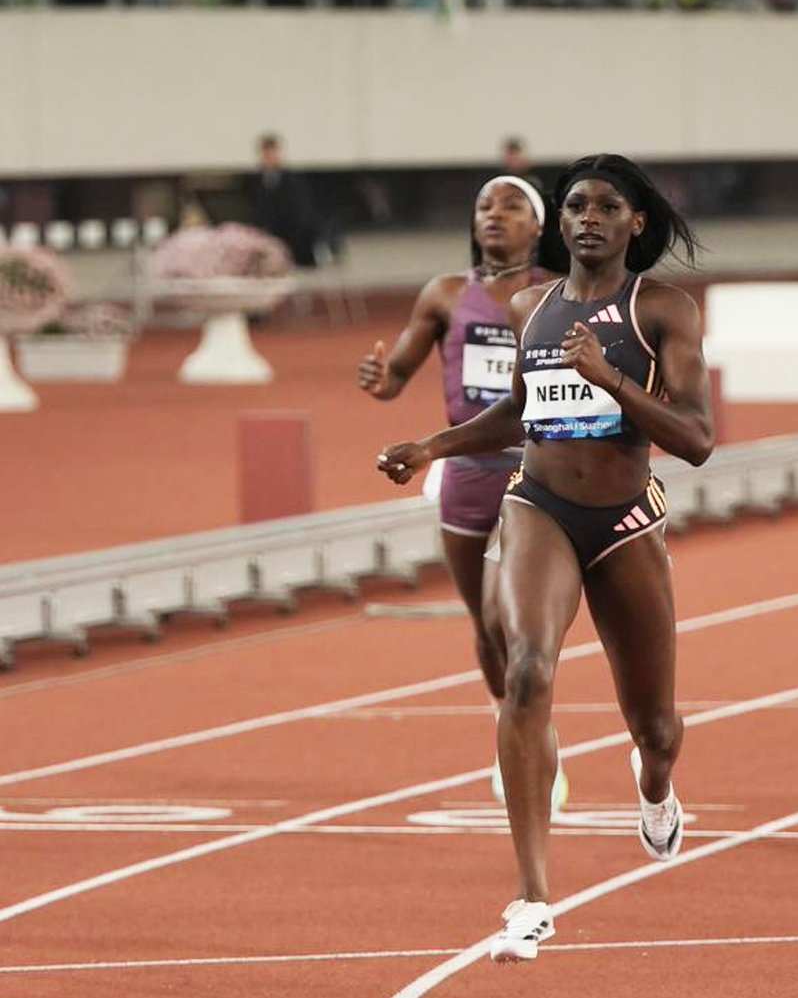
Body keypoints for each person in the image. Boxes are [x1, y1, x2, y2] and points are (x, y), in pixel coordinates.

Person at [376, 153, 714, 962]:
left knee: (657, 725)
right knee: (525, 669)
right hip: (540, 507)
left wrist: (614, 382)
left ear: (636, 222)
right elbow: (517, 413)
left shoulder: (661, 308)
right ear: (560, 226)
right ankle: (531, 897)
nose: (586, 218)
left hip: (627, 519)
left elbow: (696, 440)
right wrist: (432, 446)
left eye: (605, 206)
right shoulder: (533, 305)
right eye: (574, 207)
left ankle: (657, 786)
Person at [358, 174, 571, 810]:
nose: (495, 216)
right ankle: (507, 726)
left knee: (507, 614)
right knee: (485, 629)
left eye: (512, 207)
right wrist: (379, 378)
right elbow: (397, 374)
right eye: (485, 206)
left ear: (539, 227)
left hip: (526, 470)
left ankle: (536, 743)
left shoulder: (554, 296)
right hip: (462, 476)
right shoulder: (446, 294)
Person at [250, 133, 320, 268]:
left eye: (272, 154)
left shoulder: (293, 181)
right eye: (266, 155)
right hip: (266, 233)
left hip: (290, 235)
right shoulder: (256, 180)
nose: (269, 158)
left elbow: (300, 214)